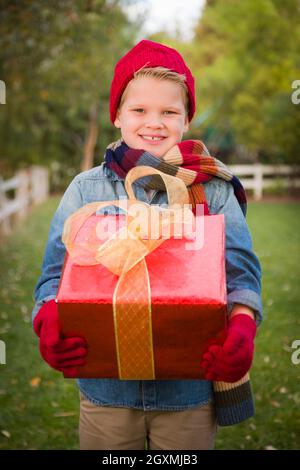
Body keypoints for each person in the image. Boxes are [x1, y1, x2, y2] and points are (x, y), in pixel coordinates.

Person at [32, 39, 262, 450]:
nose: (153, 123)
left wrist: (242, 324)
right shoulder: (86, 190)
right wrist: (47, 317)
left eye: (169, 112)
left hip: (188, 392)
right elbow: (55, 274)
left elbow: (241, 273)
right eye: (139, 110)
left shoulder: (213, 190)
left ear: (186, 120)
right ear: (117, 116)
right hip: (105, 392)